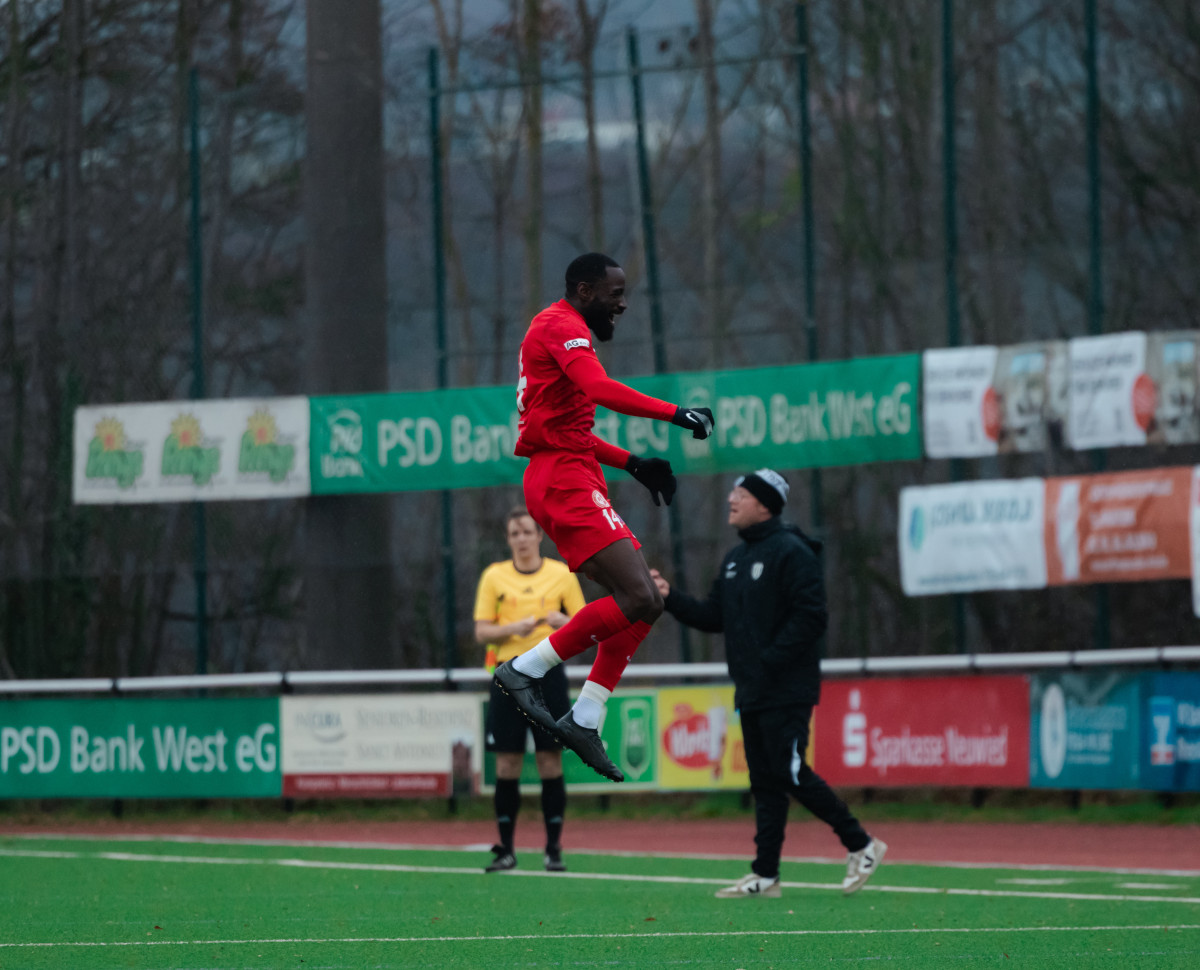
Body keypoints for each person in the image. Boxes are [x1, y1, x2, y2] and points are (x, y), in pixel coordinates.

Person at [493, 252, 715, 783]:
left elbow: (570, 430)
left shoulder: (560, 330)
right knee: (640, 597)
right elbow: (600, 390)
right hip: (562, 479)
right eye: (615, 293)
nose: (623, 304)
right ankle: (525, 668)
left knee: (645, 602)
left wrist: (634, 464)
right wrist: (677, 413)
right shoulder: (560, 326)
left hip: (572, 471)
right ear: (585, 290)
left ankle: (587, 715)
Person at [650, 469, 887, 898]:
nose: (730, 500)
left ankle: (862, 844)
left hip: (786, 687)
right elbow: (713, 616)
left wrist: (769, 661)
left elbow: (812, 617)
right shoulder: (735, 558)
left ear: (763, 504)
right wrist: (669, 598)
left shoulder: (792, 552)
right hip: (753, 689)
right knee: (765, 780)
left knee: (789, 770)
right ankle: (766, 874)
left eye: (740, 494)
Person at [474, 506, 586, 873]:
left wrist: (563, 621)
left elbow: (585, 626)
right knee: (506, 762)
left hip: (548, 674)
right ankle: (506, 850)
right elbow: (481, 631)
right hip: (508, 675)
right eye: (514, 533)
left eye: (527, 532)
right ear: (508, 540)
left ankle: (553, 849)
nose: (521, 539)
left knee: (549, 759)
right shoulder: (494, 576)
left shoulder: (561, 574)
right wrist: (512, 629)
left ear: (540, 536)